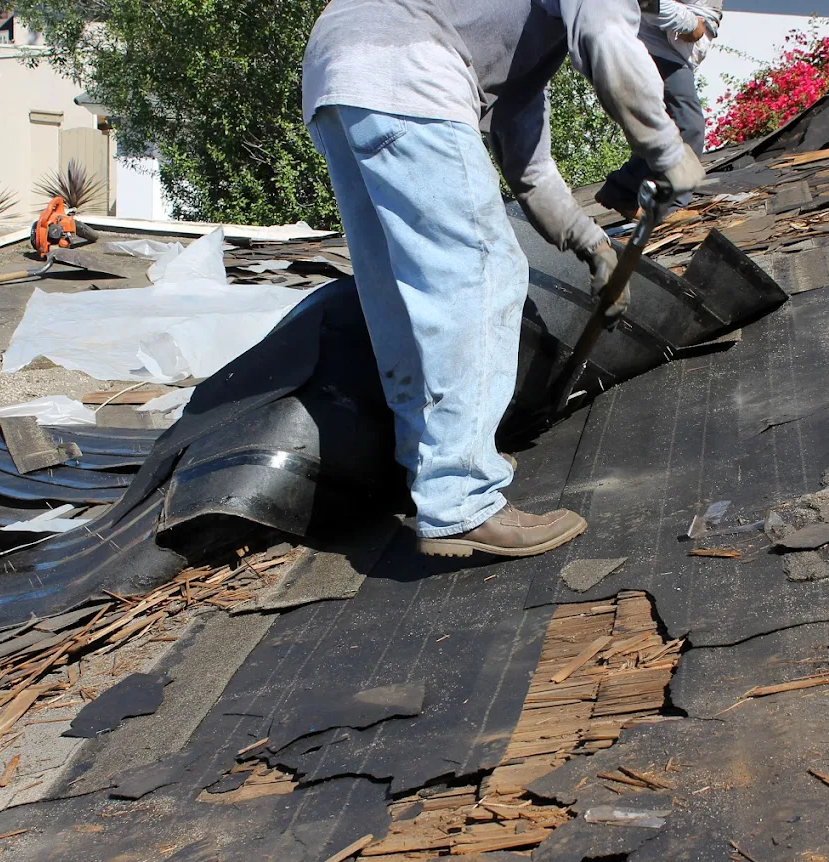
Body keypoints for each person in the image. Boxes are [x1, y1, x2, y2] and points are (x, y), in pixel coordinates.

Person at [301, 0, 704, 559]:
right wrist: (667, 148)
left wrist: (593, 245)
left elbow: (530, 168)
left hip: (339, 73)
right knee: (480, 273)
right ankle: (460, 494)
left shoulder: (514, 51)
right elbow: (608, 43)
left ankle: (430, 458)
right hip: (410, 65)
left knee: (399, 289)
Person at [596, 0, 722, 219]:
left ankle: (621, 190)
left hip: (667, 51)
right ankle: (671, 208)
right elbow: (647, 3)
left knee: (664, 127)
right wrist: (691, 24)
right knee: (688, 125)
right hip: (657, 50)